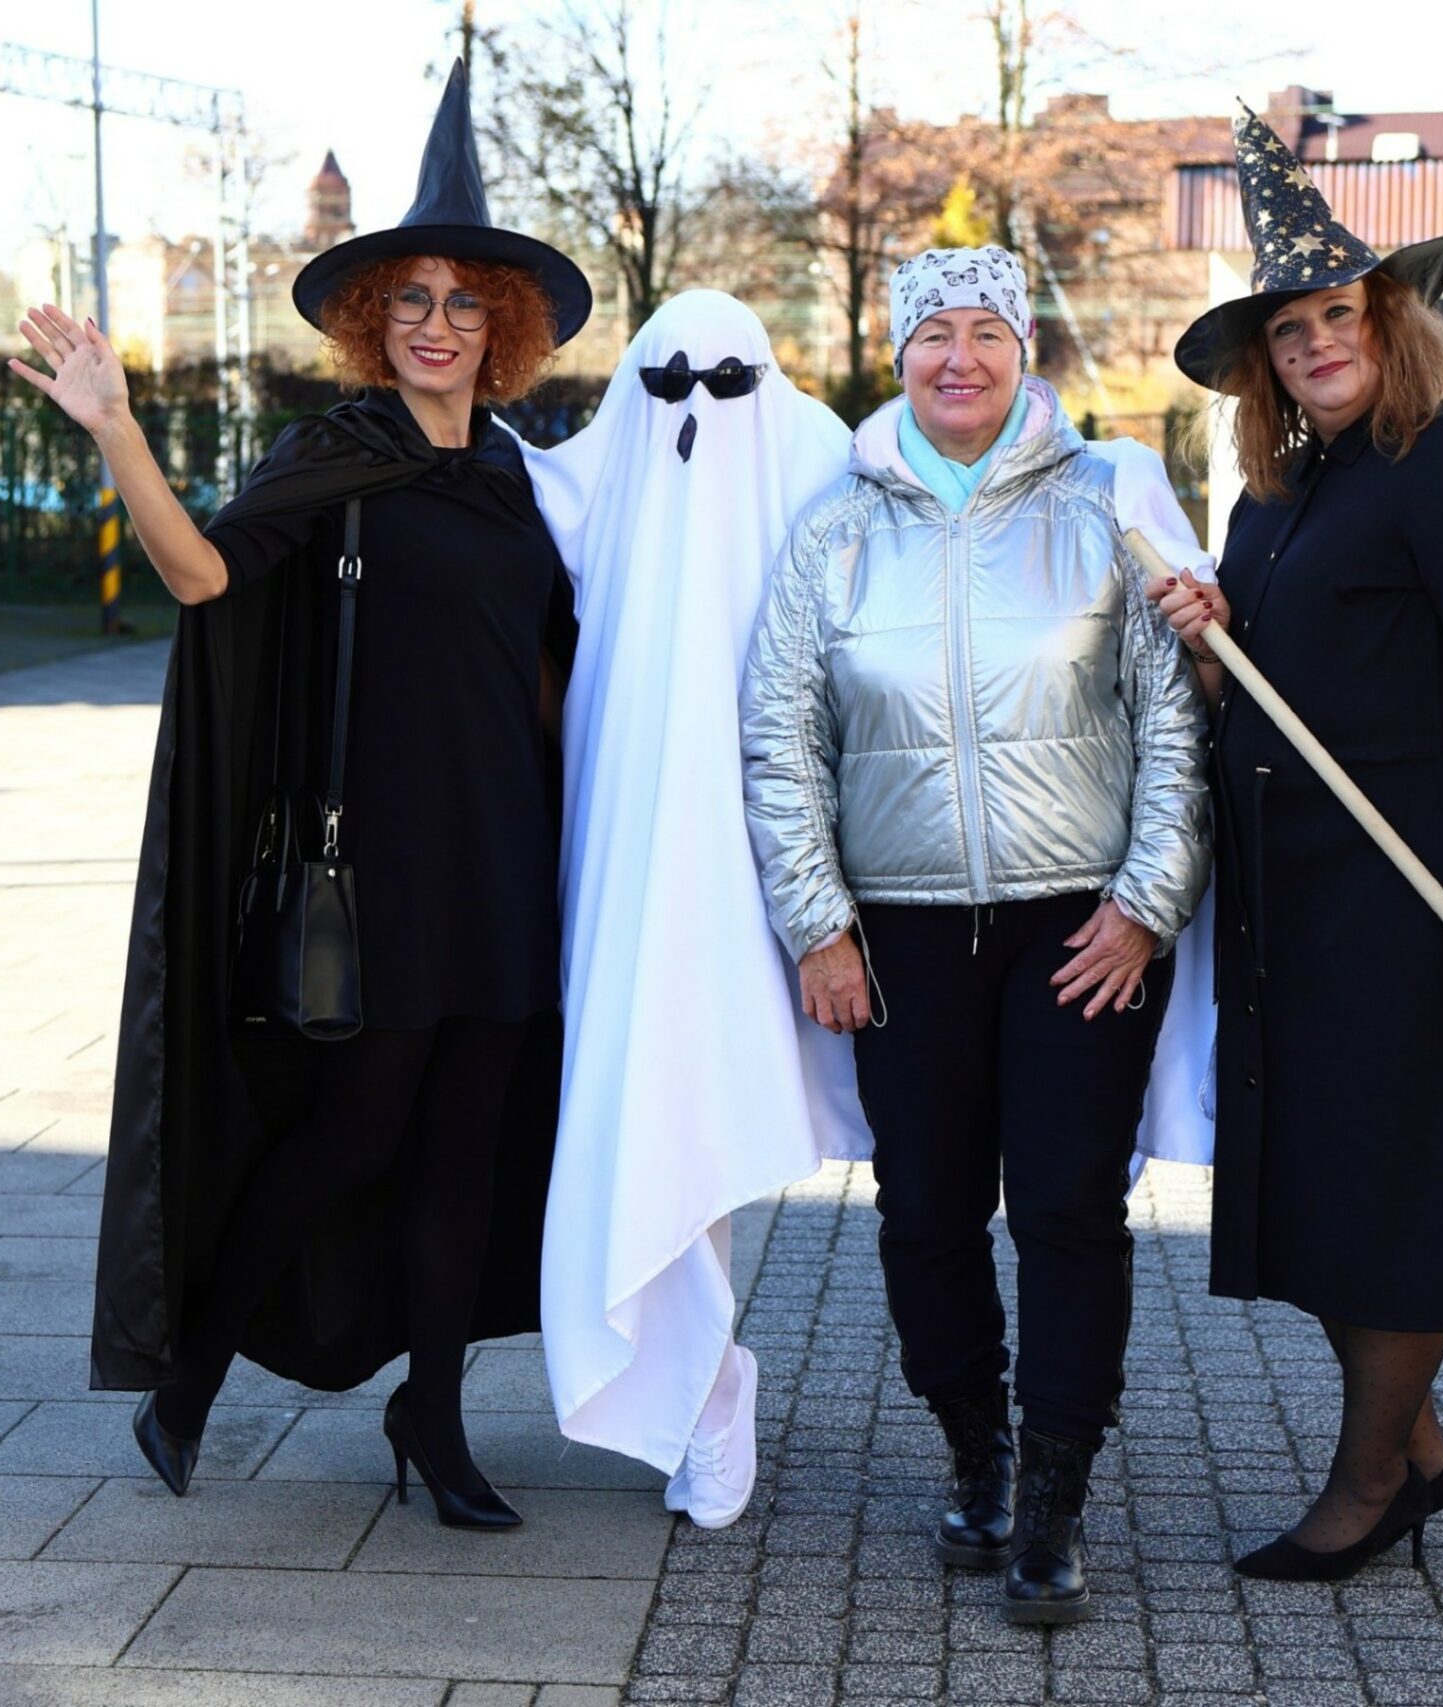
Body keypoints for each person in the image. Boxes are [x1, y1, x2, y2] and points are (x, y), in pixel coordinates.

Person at [27, 61, 593, 1529]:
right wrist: (116, 428)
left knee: (469, 1144)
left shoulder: (537, 484)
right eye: (408, 299)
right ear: (369, 322)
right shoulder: (335, 456)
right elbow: (205, 575)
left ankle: (436, 1414)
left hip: (507, 856)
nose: (435, 324)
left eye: (464, 302)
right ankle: (192, 1367)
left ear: (506, 326)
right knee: (353, 1129)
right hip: (383, 860)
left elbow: (572, 664)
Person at [742, 245, 1212, 1625]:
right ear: (898, 359)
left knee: (1068, 1205)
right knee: (928, 1212)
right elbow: (780, 738)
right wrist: (818, 924)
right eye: (933, 334)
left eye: (986, 333)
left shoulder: (1107, 508)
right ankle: (977, 1447)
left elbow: (1173, 722)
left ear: (1025, 353)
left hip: (1082, 927)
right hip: (899, 932)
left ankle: (1057, 1495)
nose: (961, 357)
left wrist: (1144, 902)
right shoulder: (831, 533)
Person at [1154, 104, 1443, 1582]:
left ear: (1389, 321)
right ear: (1262, 357)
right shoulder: (1280, 491)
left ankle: (1372, 1476)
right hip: (1292, 893)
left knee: (1391, 1187)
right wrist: (1211, 642)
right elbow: (1263, 688)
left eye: (1342, 310)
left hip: (1412, 890)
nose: (1318, 338)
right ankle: (1429, 1451)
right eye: (1291, 324)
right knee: (1327, 1182)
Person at [520, 290, 866, 1529]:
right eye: (667, 384)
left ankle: (707, 1383)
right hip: (619, 845)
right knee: (639, 1100)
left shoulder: (827, 462)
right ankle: (701, 1388)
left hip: (767, 852)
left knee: (710, 1096)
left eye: (727, 387)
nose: (693, 416)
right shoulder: (584, 472)